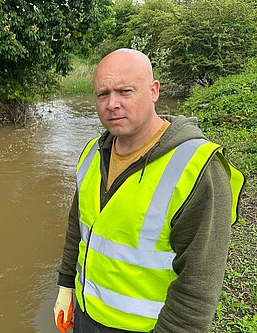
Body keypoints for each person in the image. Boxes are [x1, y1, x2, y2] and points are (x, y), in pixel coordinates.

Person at [53, 48, 245, 333]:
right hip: (85, 315)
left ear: (154, 91)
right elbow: (76, 228)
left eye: (125, 91)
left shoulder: (197, 168)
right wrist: (66, 284)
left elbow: (198, 283)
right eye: (102, 94)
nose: (112, 104)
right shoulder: (92, 154)